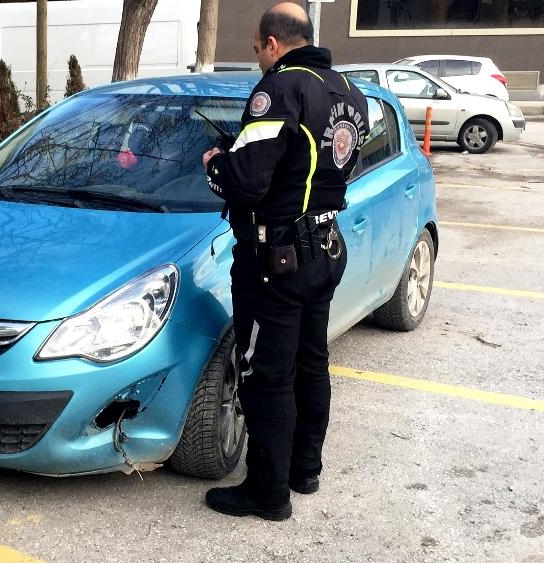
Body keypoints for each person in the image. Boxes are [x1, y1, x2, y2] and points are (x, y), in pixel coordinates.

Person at [201, 2, 369, 521]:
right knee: (311, 361)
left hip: (276, 259)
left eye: (257, 48)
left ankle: (267, 492)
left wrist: (217, 163)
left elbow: (248, 181)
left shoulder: (279, 89)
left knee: (266, 376)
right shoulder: (350, 92)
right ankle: (304, 469)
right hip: (325, 248)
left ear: (273, 43)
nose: (257, 57)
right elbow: (314, 169)